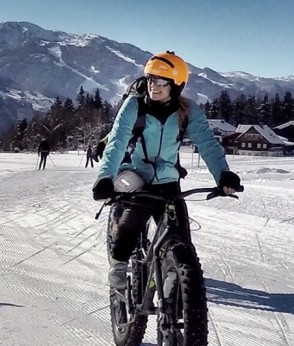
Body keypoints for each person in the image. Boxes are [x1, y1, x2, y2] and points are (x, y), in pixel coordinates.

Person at [92, 51, 241, 293]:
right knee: (134, 215)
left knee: (182, 239)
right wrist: (105, 177)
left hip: (169, 180)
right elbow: (117, 141)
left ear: (176, 85)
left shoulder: (188, 110)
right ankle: (118, 265)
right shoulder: (134, 105)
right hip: (138, 176)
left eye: (162, 82)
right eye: (151, 80)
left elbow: (208, 144)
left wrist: (223, 175)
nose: (154, 86)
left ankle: (177, 285)